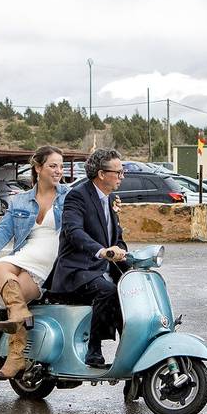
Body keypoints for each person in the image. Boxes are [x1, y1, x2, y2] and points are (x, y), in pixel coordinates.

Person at [0, 145, 70, 379]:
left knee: (7, 279)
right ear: (38, 168)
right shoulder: (20, 201)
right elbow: (5, 228)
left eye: (60, 166)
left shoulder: (69, 196)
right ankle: (17, 350)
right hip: (27, 252)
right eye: (52, 165)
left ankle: (16, 353)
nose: (58, 170)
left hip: (52, 255)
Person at [48, 148, 129, 369]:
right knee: (108, 291)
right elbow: (73, 232)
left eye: (123, 172)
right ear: (102, 174)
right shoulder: (78, 195)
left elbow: (117, 238)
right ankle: (94, 350)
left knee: (133, 286)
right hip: (77, 269)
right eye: (119, 172)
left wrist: (127, 255)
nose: (122, 176)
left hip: (101, 266)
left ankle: (131, 350)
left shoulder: (110, 198)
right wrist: (101, 251)